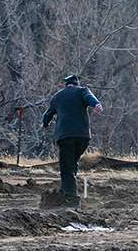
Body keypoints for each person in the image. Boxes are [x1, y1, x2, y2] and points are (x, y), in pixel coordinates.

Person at [42, 73, 101, 207]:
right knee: (72, 163)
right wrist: (96, 104)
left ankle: (71, 199)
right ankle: (65, 191)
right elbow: (90, 98)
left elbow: (48, 114)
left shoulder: (58, 96)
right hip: (83, 137)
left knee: (66, 167)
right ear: (77, 83)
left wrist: (44, 123)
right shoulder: (82, 91)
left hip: (65, 136)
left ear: (66, 84)